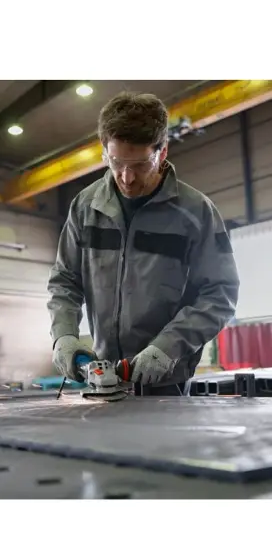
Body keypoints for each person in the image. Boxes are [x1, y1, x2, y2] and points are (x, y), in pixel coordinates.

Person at [47, 91, 240, 396]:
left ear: (162, 153)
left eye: (139, 165)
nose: (126, 178)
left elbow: (220, 294)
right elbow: (65, 281)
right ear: (104, 151)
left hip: (168, 381)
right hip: (105, 377)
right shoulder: (85, 207)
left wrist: (167, 348)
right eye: (115, 162)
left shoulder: (196, 213)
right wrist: (64, 336)